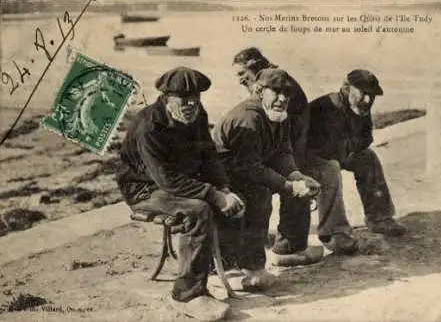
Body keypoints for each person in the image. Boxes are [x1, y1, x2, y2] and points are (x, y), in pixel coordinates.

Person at [115, 66, 245, 321]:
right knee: (198, 210)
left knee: (237, 197)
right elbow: (167, 180)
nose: (191, 103)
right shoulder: (149, 126)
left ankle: (222, 266)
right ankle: (187, 295)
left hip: (177, 183)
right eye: (183, 98)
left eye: (195, 96)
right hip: (144, 189)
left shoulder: (196, 115)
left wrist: (225, 188)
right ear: (166, 97)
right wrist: (214, 195)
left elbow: (209, 155)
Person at [212, 68, 325, 280]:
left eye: (287, 94)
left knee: (300, 187)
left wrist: (295, 176)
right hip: (223, 180)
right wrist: (287, 185)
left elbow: (282, 152)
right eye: (276, 92)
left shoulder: (278, 114)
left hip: (246, 174)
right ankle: (239, 267)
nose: (282, 99)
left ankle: (289, 249)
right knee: (261, 194)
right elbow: (249, 167)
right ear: (259, 90)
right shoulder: (249, 118)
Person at [306, 69, 407, 241]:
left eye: (372, 96)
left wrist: (351, 149)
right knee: (331, 168)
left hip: (338, 153)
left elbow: (365, 140)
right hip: (312, 159)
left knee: (368, 158)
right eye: (363, 94)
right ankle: (333, 231)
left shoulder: (361, 109)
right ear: (346, 89)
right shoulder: (324, 107)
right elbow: (307, 145)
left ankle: (379, 218)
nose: (368, 100)